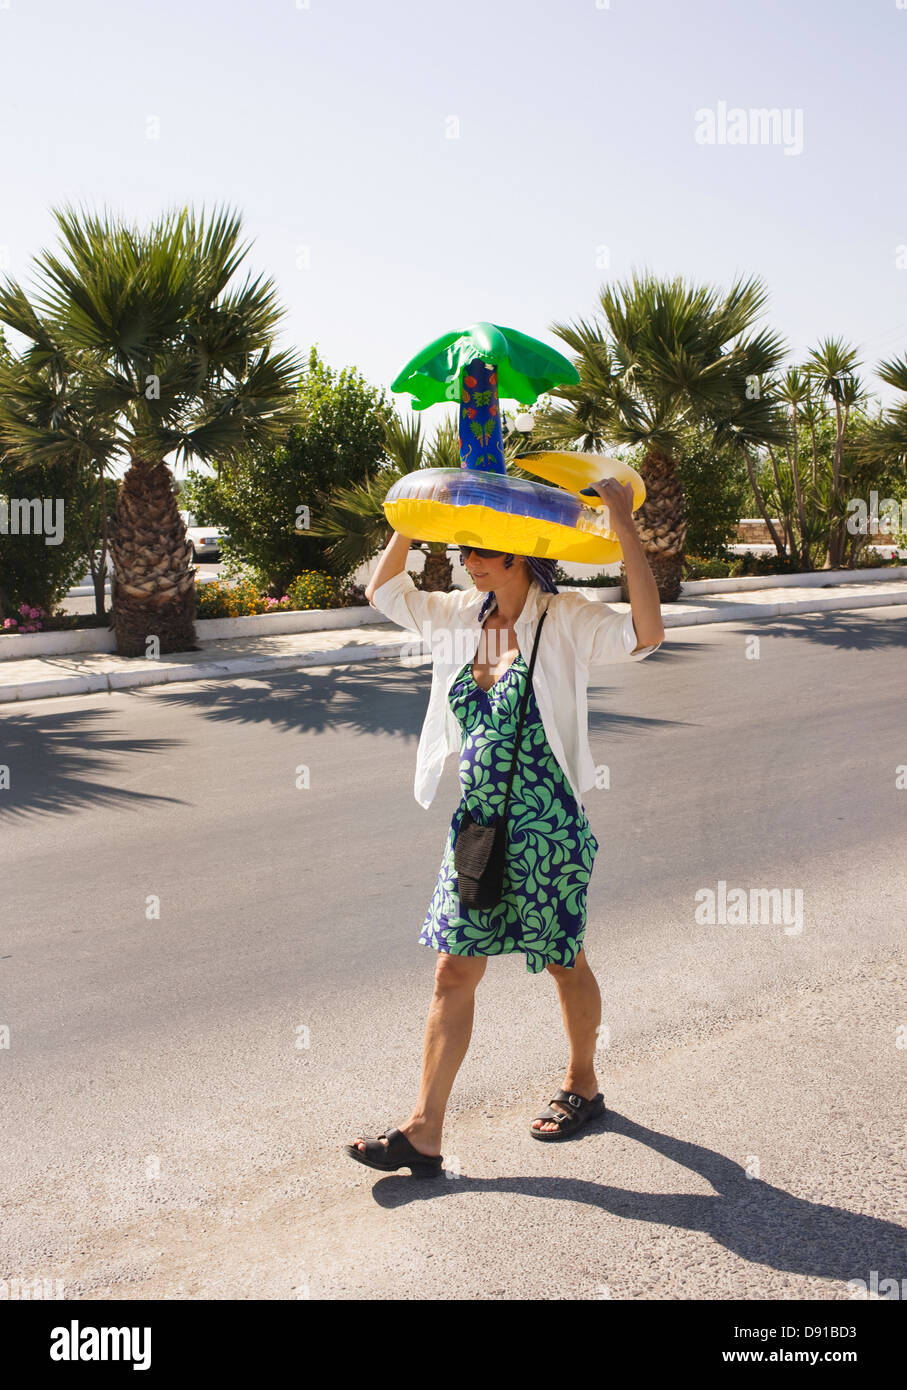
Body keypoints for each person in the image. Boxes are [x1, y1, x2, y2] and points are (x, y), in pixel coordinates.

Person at [344, 478, 664, 1175]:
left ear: (520, 554)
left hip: (547, 823)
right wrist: (414, 518)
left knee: (561, 960)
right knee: (452, 970)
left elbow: (646, 633)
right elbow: (384, 590)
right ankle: (424, 1131)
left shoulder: (564, 616)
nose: (468, 563)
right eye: (463, 551)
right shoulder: (461, 615)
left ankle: (583, 1083)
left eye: (482, 552)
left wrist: (621, 525)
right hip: (478, 825)